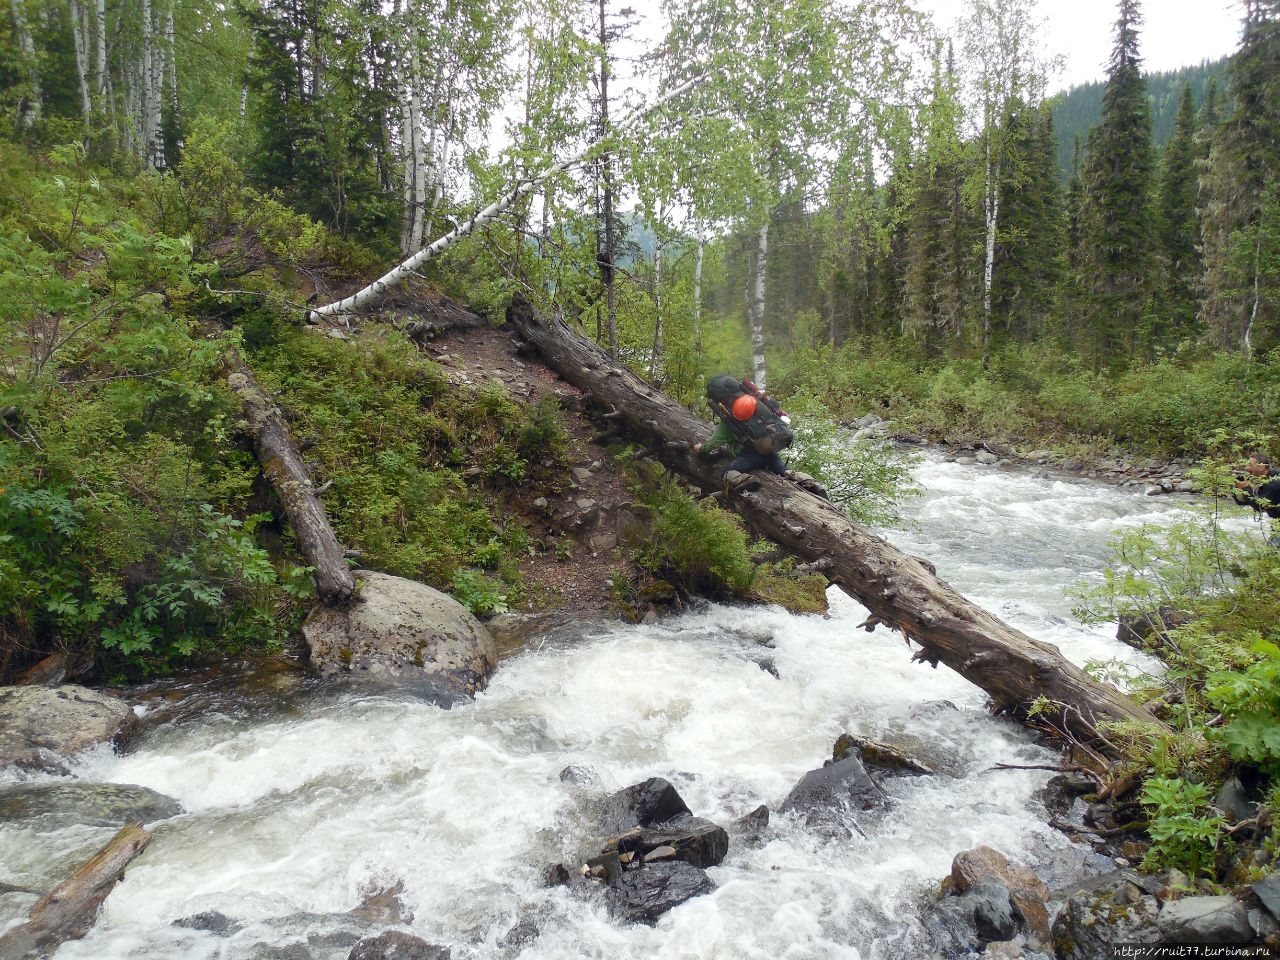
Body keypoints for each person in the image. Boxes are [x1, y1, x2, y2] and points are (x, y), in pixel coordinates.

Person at [691, 374, 826, 496]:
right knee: (784, 471)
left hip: (751, 456)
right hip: (770, 452)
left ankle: (746, 480)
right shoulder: (758, 402)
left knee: (726, 472)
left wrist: (700, 448)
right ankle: (810, 482)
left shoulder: (730, 420)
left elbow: (712, 444)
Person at [1232, 453, 1280, 545]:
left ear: (1261, 467)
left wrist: (1246, 488)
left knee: (1272, 555)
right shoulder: (1261, 480)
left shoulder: (1275, 482)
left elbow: (1260, 505)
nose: (1246, 468)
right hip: (1276, 524)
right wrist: (1236, 487)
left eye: (1250, 465)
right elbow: (1241, 502)